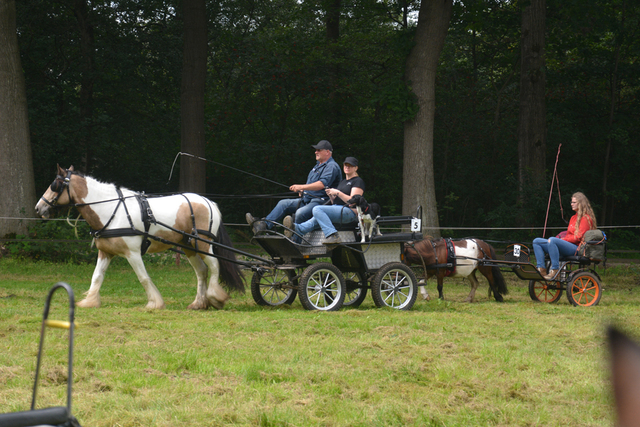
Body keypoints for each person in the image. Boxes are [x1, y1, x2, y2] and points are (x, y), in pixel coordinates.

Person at [246, 140, 342, 233]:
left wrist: (301, 187)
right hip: (307, 200)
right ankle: (263, 226)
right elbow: (311, 185)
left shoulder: (331, 166)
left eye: (319, 150)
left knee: (300, 213)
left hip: (321, 202)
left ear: (327, 152)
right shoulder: (317, 166)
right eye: (316, 150)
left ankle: (295, 242)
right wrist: (304, 191)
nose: (315, 152)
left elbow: (321, 184)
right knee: (283, 203)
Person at [283, 156, 364, 245]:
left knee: (317, 209)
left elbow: (354, 201)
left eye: (350, 166)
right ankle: (296, 228)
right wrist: (332, 197)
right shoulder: (342, 182)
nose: (347, 167)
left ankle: (332, 235)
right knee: (315, 219)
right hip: (338, 209)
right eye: (346, 165)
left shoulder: (358, 181)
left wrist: (337, 192)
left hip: (350, 212)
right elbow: (336, 202)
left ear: (356, 168)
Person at [532, 192, 597, 280]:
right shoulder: (573, 218)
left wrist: (563, 240)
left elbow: (578, 237)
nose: (571, 204)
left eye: (574, 202)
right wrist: (563, 240)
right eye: (571, 202)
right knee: (537, 241)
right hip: (568, 245)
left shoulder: (586, 218)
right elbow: (569, 235)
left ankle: (555, 269)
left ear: (581, 204)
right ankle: (541, 269)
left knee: (553, 240)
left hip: (577, 248)